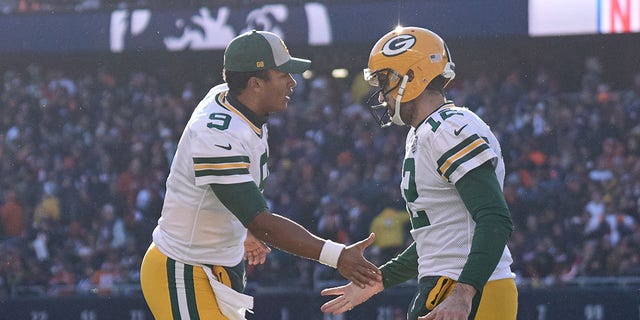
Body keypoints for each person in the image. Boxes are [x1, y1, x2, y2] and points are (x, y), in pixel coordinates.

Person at [139, 30, 381, 320]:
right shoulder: (216, 135)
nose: (293, 82)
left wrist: (243, 229)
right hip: (183, 271)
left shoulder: (231, 100)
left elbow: (233, 200)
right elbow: (261, 220)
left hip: (217, 268)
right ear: (255, 83)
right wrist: (336, 255)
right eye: (283, 75)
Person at [320, 27, 517, 320]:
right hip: (449, 283)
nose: (382, 94)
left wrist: (464, 292)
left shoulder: (448, 130)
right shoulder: (426, 132)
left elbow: (495, 217)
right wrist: (380, 279)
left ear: (411, 77)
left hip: (465, 288)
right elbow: (438, 238)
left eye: (386, 80)